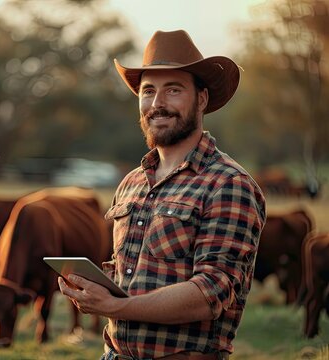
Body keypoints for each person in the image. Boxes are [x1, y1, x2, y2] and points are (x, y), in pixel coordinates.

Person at [58, 30, 266, 360]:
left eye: (173, 90)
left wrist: (117, 306)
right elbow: (130, 270)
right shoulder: (131, 182)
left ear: (201, 99)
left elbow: (210, 293)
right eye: (148, 91)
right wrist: (94, 287)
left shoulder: (228, 184)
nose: (157, 103)